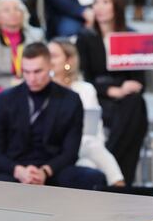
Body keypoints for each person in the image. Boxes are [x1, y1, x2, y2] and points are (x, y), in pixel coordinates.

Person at [0, 41, 106, 190]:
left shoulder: (71, 100)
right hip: (13, 170)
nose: (31, 78)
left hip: (53, 170)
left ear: (50, 67)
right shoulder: (4, 100)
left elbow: (70, 152)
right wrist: (19, 171)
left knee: (93, 178)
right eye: (26, 72)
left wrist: (45, 171)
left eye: (37, 71)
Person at [76, 0, 148, 185]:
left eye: (105, 2)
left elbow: (140, 81)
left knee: (136, 104)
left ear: (117, 6)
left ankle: (112, 165)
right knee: (132, 112)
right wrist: (112, 89)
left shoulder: (132, 36)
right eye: (96, 2)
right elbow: (85, 77)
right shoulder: (86, 38)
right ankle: (117, 174)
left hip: (126, 103)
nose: (98, 7)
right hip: (100, 100)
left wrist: (125, 89)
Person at [48, 39, 125, 186]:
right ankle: (119, 184)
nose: (49, 60)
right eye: (47, 56)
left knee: (89, 164)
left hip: (85, 146)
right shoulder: (44, 90)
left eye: (54, 56)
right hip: (57, 149)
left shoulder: (85, 89)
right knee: (90, 154)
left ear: (69, 59)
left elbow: (94, 130)